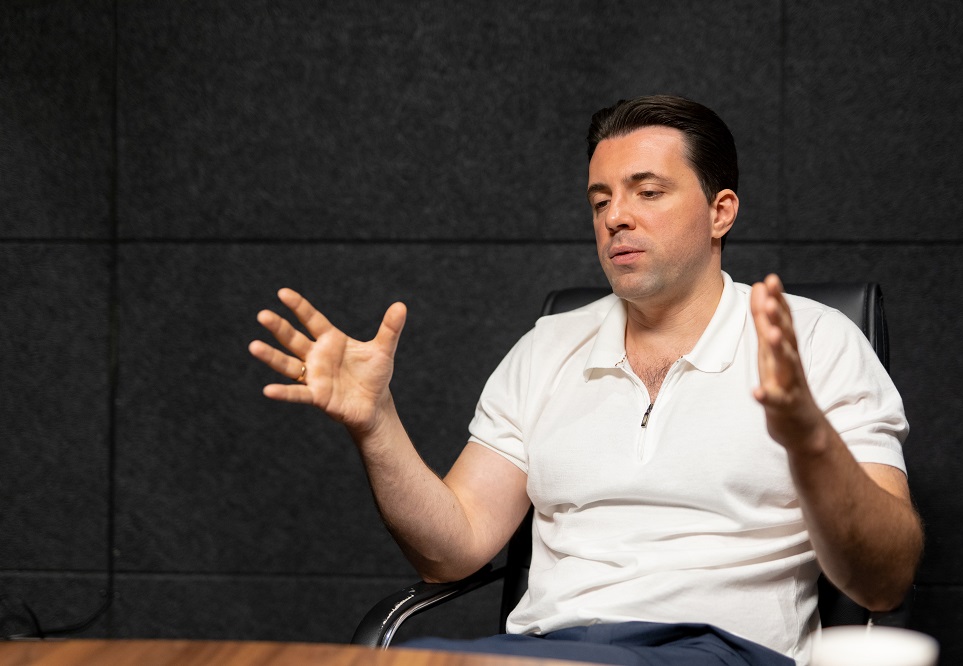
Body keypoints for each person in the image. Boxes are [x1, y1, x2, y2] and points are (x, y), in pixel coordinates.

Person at [248, 95, 923, 665]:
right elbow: (452, 551)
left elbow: (885, 581)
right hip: (551, 649)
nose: (615, 216)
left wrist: (809, 440)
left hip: (718, 651)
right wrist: (376, 424)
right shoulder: (548, 347)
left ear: (721, 211)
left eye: (647, 192)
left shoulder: (816, 341)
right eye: (601, 199)